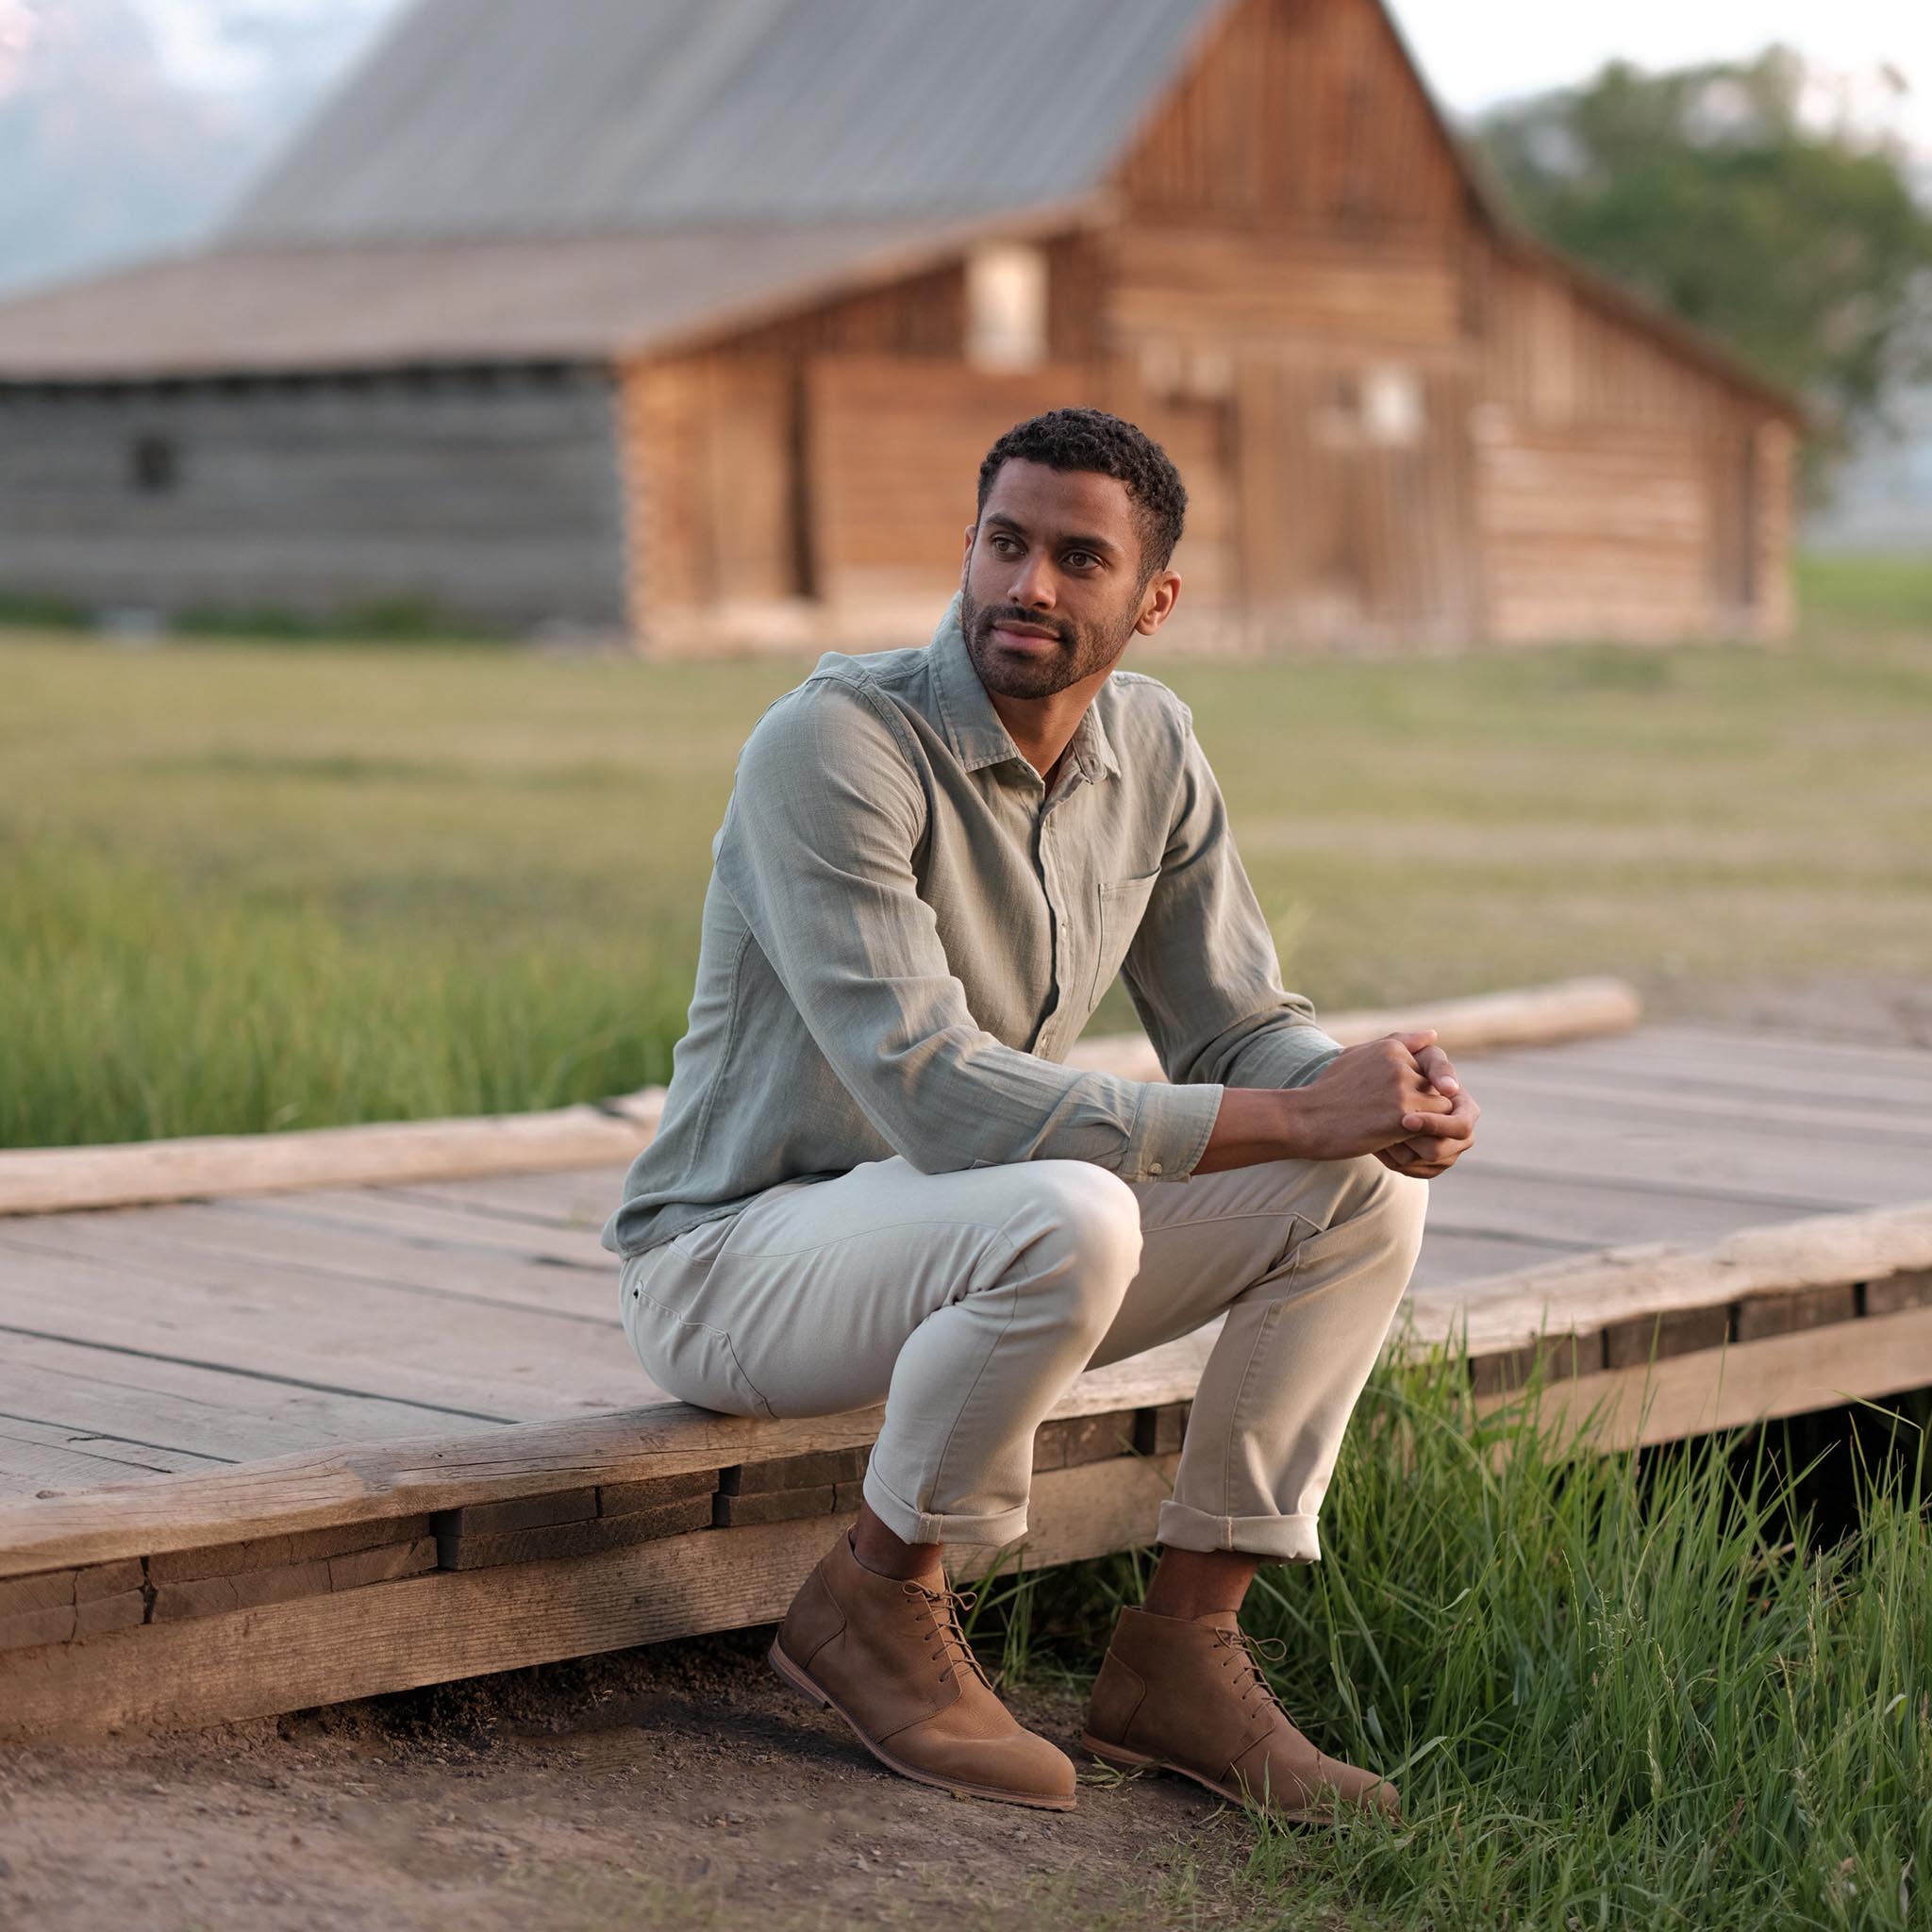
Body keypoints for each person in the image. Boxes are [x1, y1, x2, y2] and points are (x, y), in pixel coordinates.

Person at [601, 407, 1478, 1819]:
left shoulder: (1154, 743)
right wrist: (1296, 1117)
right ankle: (874, 1606)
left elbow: (1233, 1021)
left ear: (1155, 602)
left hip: (968, 1242)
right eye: (1007, 544)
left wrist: (1360, 1093)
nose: (1032, 587)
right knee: (1063, 1211)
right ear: (968, 548)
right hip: (734, 1265)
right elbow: (934, 1093)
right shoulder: (834, 744)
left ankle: (1181, 1655)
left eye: (1081, 559)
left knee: (1369, 1187)